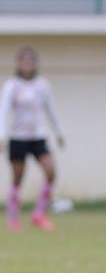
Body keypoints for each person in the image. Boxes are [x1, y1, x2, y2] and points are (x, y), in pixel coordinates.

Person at [1, 47, 65, 232]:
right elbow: (3, 111)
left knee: (51, 172)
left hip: (38, 137)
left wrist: (59, 133)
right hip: (18, 138)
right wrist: (1, 136)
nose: (27, 64)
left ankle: (38, 214)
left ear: (35, 64)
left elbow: (51, 110)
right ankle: (13, 219)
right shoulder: (12, 86)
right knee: (18, 179)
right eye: (24, 61)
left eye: (31, 61)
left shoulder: (42, 85)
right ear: (19, 64)